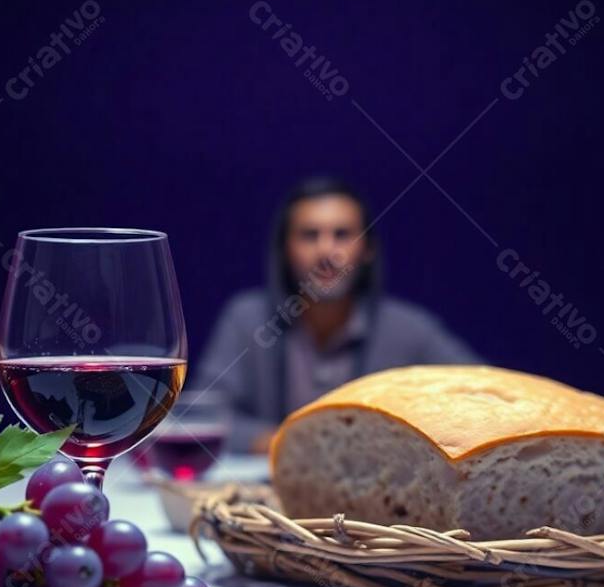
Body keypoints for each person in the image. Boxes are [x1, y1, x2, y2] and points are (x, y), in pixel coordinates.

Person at [197, 176, 481, 453]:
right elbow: (203, 414)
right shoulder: (247, 321)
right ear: (285, 248)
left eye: (342, 235)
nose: (326, 250)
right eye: (310, 235)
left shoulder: (408, 330)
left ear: (368, 249)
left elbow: (479, 396)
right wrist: (287, 443)